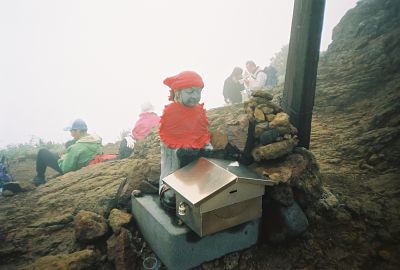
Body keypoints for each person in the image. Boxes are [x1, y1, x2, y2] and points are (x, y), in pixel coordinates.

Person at [158, 71, 212, 211]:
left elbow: (203, 134)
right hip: (175, 163)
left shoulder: (199, 112)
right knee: (172, 185)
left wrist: (207, 146)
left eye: (198, 92)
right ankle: (167, 187)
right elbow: (169, 142)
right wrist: (182, 150)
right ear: (178, 92)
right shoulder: (171, 113)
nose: (195, 96)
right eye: (190, 92)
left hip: (196, 161)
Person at [32, 119, 102, 186]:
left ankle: (39, 178)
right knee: (68, 144)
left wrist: (62, 158)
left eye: (71, 131)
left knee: (43, 152)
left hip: (74, 169)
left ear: (78, 130)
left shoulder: (76, 148)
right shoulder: (96, 140)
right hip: (86, 161)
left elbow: (66, 169)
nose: (71, 134)